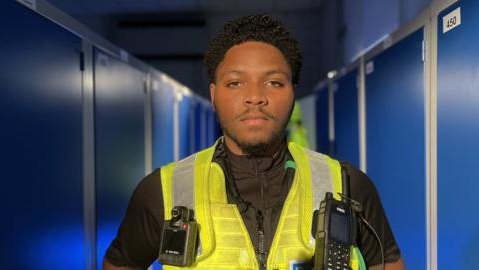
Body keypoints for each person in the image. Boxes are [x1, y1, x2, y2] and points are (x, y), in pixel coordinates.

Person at [103, 14, 405, 270]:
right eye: (235, 83)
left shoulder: (347, 185)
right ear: (213, 94)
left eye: (274, 82)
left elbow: (388, 262)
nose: (255, 96)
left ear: (292, 93)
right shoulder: (161, 192)